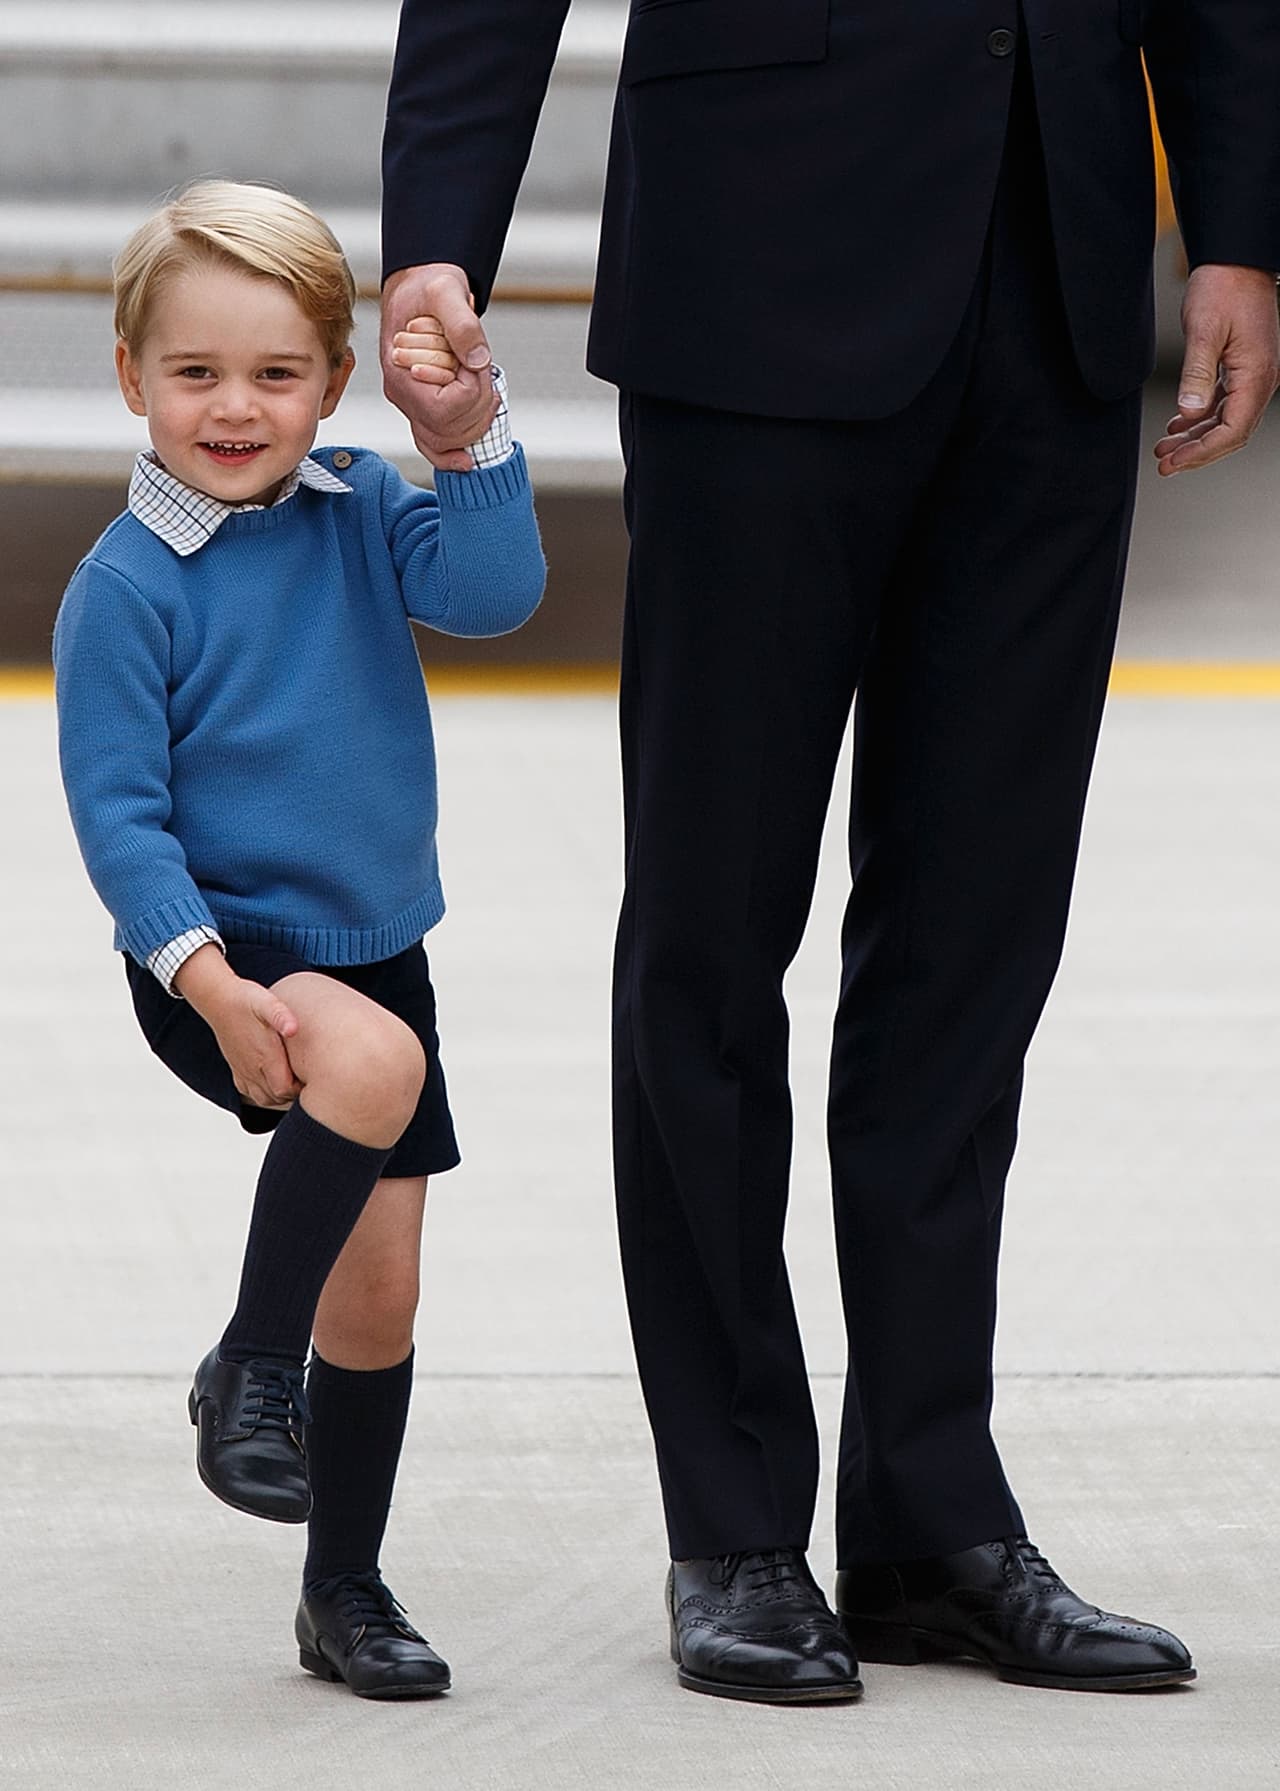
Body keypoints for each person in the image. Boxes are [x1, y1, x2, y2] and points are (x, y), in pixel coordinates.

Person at [381, 2, 1279, 1704]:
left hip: (1057, 274)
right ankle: (732, 1524)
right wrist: (439, 227)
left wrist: (1238, 225)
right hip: (757, 260)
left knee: (976, 942)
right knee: (713, 934)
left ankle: (932, 1516)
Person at [53, 180, 545, 1700]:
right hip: (216, 957)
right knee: (376, 1064)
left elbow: (496, 595)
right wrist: (209, 986)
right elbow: (123, 823)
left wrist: (463, 443)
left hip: (373, 946)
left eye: (276, 373)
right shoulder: (124, 588)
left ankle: (344, 1591)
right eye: (194, 372)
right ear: (131, 376)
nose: (234, 407)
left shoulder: (363, 511)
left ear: (333, 383)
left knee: (380, 1294)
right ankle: (254, 1362)